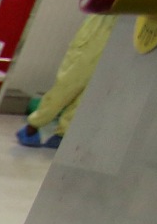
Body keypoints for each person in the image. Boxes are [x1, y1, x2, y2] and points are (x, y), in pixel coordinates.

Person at [17, 13, 116, 148]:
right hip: (99, 29)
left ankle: (63, 134)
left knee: (90, 92)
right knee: (68, 85)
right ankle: (33, 125)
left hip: (120, 37)